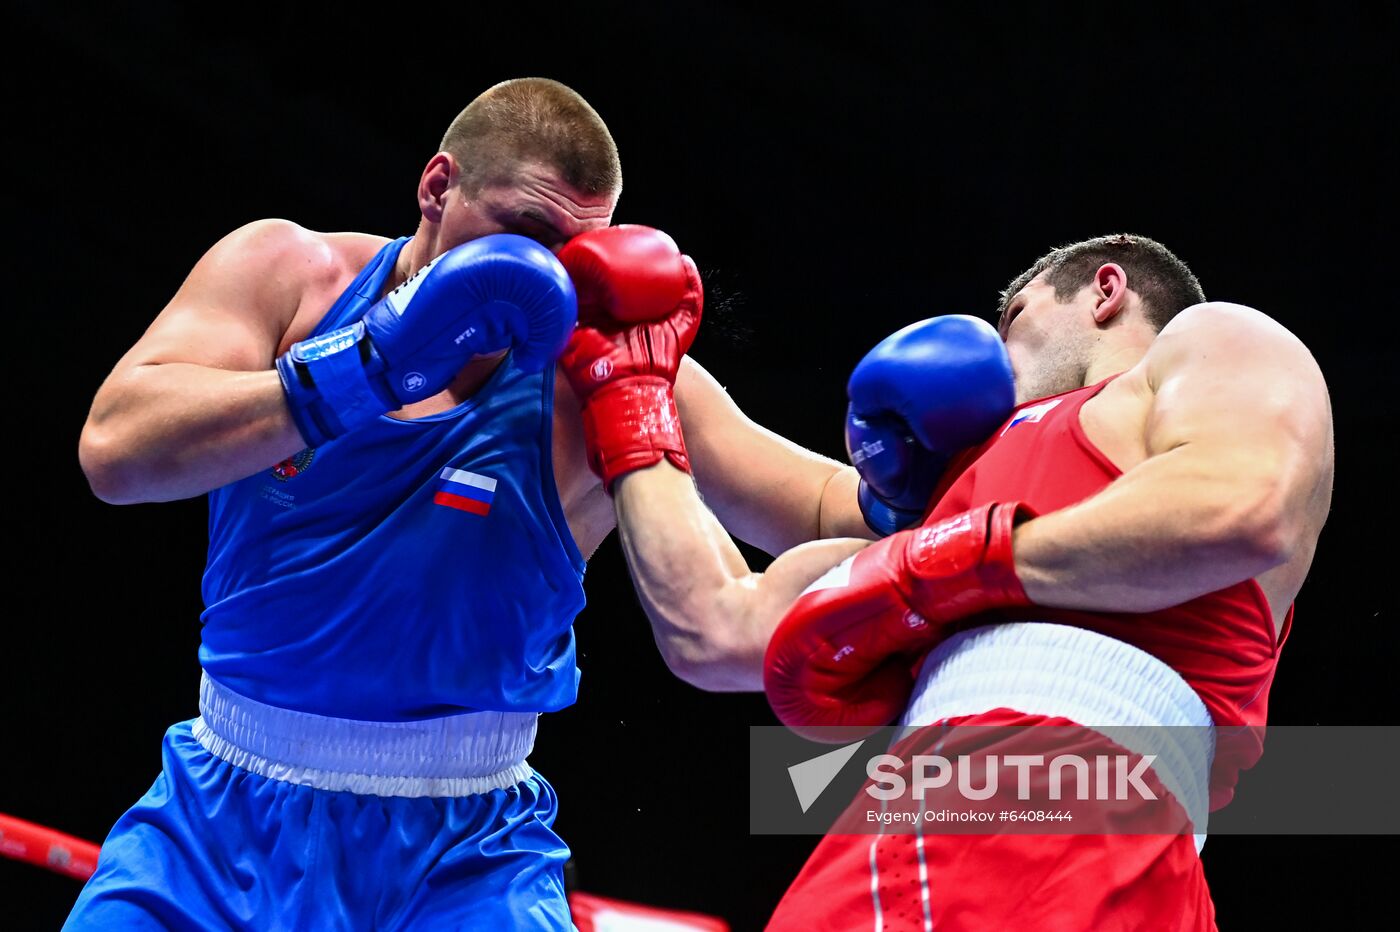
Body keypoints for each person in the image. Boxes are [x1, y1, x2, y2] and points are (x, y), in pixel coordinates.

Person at [71, 77, 874, 929]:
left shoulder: (590, 374)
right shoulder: (291, 279)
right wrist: (363, 370)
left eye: (574, 254)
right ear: (437, 187)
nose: (540, 278)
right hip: (217, 820)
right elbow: (116, 454)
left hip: (464, 856)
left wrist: (968, 467)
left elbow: (823, 506)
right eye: (522, 233)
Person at [576, 234, 1333, 929]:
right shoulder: (952, 505)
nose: (998, 366)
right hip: (938, 810)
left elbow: (1242, 508)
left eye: (1012, 321)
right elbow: (711, 627)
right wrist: (628, 387)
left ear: (1106, 292)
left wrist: (958, 564)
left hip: (1061, 800)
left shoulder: (1209, 347)